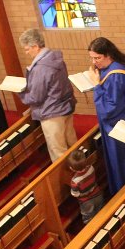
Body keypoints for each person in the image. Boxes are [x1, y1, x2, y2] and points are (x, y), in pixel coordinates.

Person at [87, 37, 125, 194]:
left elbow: (109, 109)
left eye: (97, 58)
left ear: (108, 55)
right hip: (117, 123)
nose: (94, 62)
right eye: (92, 58)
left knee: (121, 162)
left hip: (119, 128)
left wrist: (97, 86)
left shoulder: (117, 75)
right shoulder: (111, 69)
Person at [19, 28, 76, 162]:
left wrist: (20, 92)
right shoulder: (55, 58)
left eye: (27, 49)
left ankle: (66, 174)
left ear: (35, 46)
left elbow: (36, 97)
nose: (26, 53)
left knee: (58, 150)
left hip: (51, 112)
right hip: (65, 106)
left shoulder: (41, 67)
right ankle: (81, 168)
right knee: (72, 142)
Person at [68, 151, 105, 223]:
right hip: (97, 194)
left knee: (88, 218)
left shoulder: (75, 181)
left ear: (71, 168)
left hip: (86, 201)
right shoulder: (91, 168)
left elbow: (75, 194)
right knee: (100, 211)